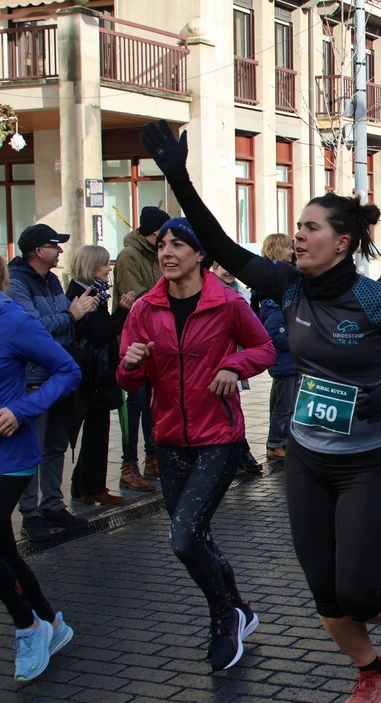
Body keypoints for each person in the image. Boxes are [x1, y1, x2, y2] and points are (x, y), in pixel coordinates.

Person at [141, 119, 381, 703]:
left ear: (342, 243)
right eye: (298, 227)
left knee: (358, 591)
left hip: (368, 463)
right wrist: (178, 178)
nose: (298, 236)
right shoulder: (286, 285)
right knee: (326, 596)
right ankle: (371, 673)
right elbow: (222, 246)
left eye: (310, 228)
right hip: (307, 461)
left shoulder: (380, 300)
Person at [117, 217, 275, 671]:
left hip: (219, 438)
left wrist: (233, 365)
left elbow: (265, 348)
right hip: (169, 439)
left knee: (184, 539)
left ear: (199, 254)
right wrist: (130, 363)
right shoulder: (145, 308)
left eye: (178, 245)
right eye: (162, 245)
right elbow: (127, 380)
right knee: (196, 535)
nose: (167, 253)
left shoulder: (226, 302)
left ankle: (223, 616)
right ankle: (239, 607)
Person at [0, 232, 81, 681]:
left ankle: (28, 626)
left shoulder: (11, 319)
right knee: (1, 550)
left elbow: (67, 370)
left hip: (7, 456)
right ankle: (51, 622)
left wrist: (22, 410)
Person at [7, 224, 95, 542]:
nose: (60, 251)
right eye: (55, 246)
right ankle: (31, 514)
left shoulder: (53, 280)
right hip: (34, 378)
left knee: (56, 444)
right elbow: (33, 328)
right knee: (33, 447)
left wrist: (79, 312)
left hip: (60, 374)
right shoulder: (16, 282)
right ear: (38, 251)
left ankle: (53, 505)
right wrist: (72, 315)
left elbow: (61, 320)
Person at [65, 245, 137, 505]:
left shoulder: (92, 291)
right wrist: (123, 311)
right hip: (93, 373)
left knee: (96, 430)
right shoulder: (85, 293)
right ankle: (93, 487)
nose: (108, 269)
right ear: (91, 265)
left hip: (96, 371)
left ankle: (81, 481)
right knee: (97, 431)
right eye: (104, 264)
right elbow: (100, 333)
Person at [114, 205, 169, 492]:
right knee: (133, 406)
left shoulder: (154, 255)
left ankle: (152, 458)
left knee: (150, 404)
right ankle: (128, 465)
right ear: (156, 231)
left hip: (154, 341)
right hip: (134, 342)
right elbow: (138, 297)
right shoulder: (129, 255)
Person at [211, 262, 263, 475]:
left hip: (234, 361)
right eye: (223, 266)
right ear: (214, 267)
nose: (229, 271)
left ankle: (239, 452)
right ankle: (239, 452)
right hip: (215, 362)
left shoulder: (239, 293)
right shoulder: (211, 292)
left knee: (231, 408)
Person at [259, 233, 296, 459]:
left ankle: (282, 441)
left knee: (284, 404)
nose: (292, 252)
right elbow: (277, 335)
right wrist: (301, 337)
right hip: (285, 363)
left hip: (287, 363)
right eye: (288, 248)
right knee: (283, 406)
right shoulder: (274, 301)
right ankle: (275, 443)